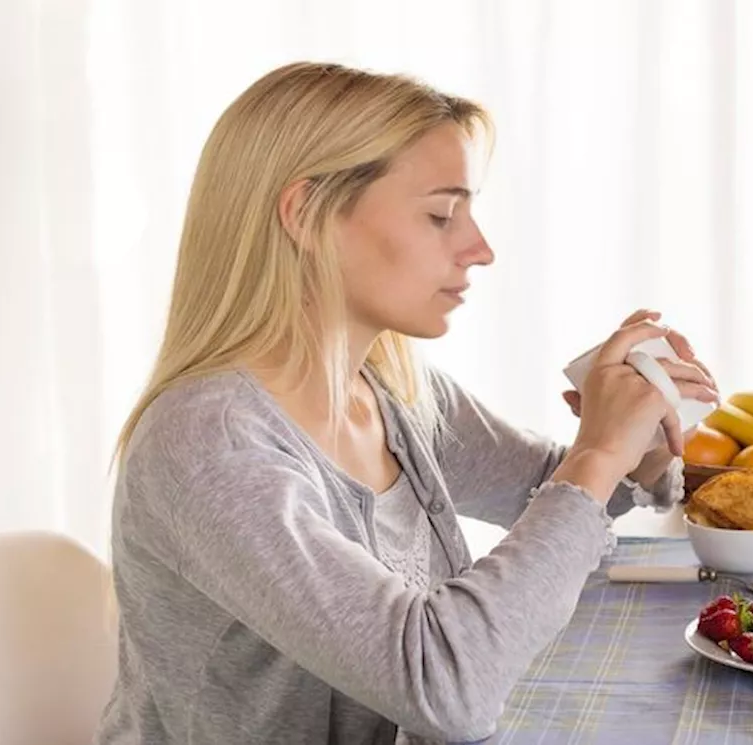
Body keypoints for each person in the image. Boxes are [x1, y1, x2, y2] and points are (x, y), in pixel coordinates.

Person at [93, 61, 719, 745]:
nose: (480, 249)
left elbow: (556, 496)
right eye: (441, 214)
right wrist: (598, 452)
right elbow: (445, 685)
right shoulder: (209, 442)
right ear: (305, 214)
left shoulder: (392, 387)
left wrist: (638, 440)